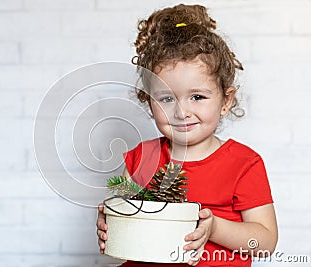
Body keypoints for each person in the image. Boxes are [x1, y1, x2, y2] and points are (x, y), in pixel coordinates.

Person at [96, 3, 278, 267]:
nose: (181, 112)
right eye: (167, 98)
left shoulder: (244, 164)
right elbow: (126, 218)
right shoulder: (142, 158)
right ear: (149, 103)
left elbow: (265, 243)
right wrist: (109, 222)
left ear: (226, 101)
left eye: (197, 97)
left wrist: (214, 228)